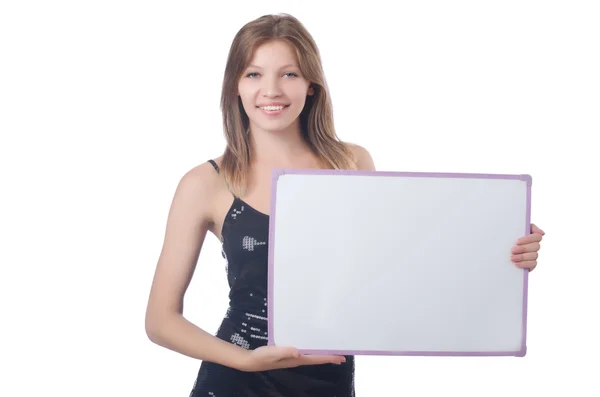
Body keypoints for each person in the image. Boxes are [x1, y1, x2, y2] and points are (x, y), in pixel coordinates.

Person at [144, 13, 546, 397]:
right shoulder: (206, 182)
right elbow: (160, 320)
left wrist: (499, 248)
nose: (271, 90)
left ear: (311, 85)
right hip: (233, 381)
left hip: (328, 383)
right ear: (235, 84)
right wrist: (247, 361)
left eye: (289, 74)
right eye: (254, 74)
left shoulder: (350, 163)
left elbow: (397, 265)